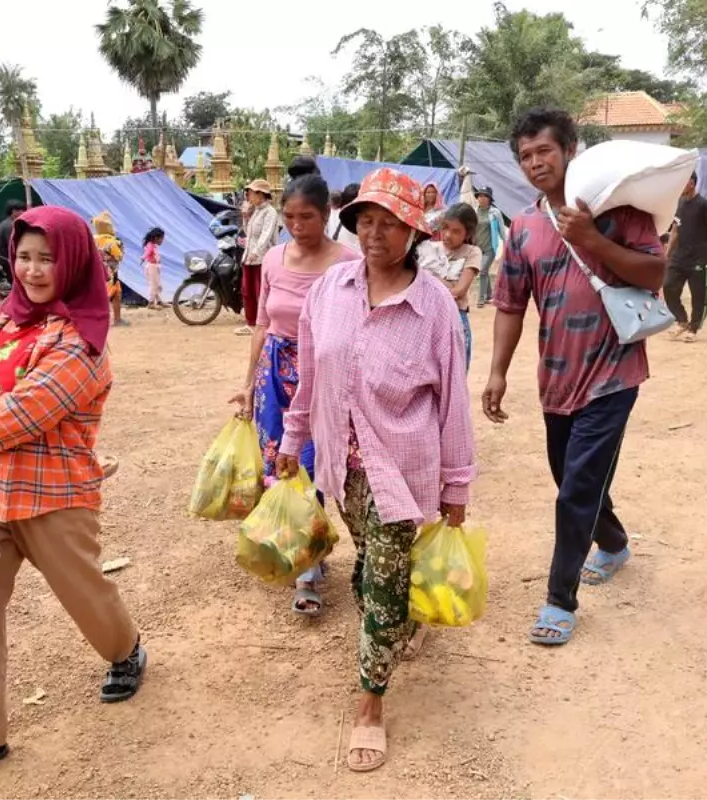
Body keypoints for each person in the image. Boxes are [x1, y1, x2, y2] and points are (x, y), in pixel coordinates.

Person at [0, 206, 146, 796]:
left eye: (48, 258)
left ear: (73, 263)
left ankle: (127, 650)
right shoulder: (3, 322)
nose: (34, 270)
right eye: (24, 257)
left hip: (52, 496)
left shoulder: (80, 342)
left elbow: (25, 413)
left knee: (86, 595)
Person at [276, 167, 475, 772]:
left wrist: (456, 483)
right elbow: (311, 377)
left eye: (390, 224)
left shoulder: (434, 305)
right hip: (342, 465)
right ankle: (395, 620)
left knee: (384, 577)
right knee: (369, 563)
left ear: (414, 231)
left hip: (404, 467)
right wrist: (293, 437)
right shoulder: (328, 291)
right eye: (366, 221)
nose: (376, 234)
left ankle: (370, 704)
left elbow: (453, 402)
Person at [483, 107, 664, 647]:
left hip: (613, 373)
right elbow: (511, 305)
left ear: (570, 150)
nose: (536, 163)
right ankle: (614, 543)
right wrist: (496, 372)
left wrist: (592, 239)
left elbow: (655, 273)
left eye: (545, 151)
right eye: (526, 156)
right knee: (572, 479)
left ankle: (559, 601)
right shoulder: (523, 228)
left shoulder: (619, 211)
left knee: (576, 491)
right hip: (556, 378)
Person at [228, 174, 358, 616]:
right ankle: (296, 549)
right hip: (273, 376)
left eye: (308, 217)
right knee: (278, 465)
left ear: (326, 215)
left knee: (310, 464)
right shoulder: (274, 259)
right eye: (289, 217)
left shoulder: (348, 263)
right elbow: (262, 324)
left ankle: (308, 570)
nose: (298, 225)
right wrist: (248, 384)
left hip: (322, 375)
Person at [664, 172, 707, 341]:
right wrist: (667, 253)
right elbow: (675, 229)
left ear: (691, 183)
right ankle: (682, 320)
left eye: (683, 182)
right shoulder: (680, 202)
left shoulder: (704, 204)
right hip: (679, 256)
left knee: (698, 295)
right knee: (668, 287)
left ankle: (694, 328)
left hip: (699, 257)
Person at [426, 203, 482, 367]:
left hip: (455, 318)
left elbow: (458, 291)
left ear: (468, 233)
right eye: (445, 228)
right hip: (428, 318)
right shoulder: (430, 249)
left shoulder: (472, 252)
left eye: (456, 231)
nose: (448, 235)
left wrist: (430, 278)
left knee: (455, 372)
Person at [237, 179, 279, 335]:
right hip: (249, 256)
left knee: (260, 291)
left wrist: (257, 251)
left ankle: (264, 323)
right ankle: (251, 322)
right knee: (247, 291)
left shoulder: (270, 212)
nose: (249, 196)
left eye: (252, 193)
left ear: (261, 194)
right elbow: (249, 233)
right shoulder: (256, 211)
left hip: (263, 258)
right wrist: (245, 216)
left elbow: (266, 235)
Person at [92, 211, 127, 327]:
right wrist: (121, 249)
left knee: (112, 294)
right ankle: (112, 320)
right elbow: (119, 257)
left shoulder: (92, 239)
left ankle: (114, 319)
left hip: (96, 272)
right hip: (110, 273)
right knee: (112, 295)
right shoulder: (112, 242)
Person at [474, 187, 507, 308]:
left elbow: (502, 231)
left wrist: (507, 245)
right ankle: (489, 295)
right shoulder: (474, 211)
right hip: (477, 247)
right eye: (480, 196)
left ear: (489, 199)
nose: (482, 198)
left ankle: (481, 298)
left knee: (482, 270)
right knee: (484, 271)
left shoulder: (495, 213)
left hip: (490, 248)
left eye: (485, 196)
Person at [0, 200, 26, 279]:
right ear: (13, 212)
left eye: (23, 210)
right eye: (19, 210)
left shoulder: (6, 222)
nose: (23, 212)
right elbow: (14, 246)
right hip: (7, 261)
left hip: (4, 259)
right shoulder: (10, 225)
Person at [141, 227, 166, 310]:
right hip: (151, 267)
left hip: (154, 266)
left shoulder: (153, 245)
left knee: (157, 284)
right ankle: (151, 303)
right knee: (154, 285)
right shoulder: (150, 245)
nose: (162, 241)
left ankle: (159, 301)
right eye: (161, 239)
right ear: (156, 238)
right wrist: (143, 258)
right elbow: (147, 253)